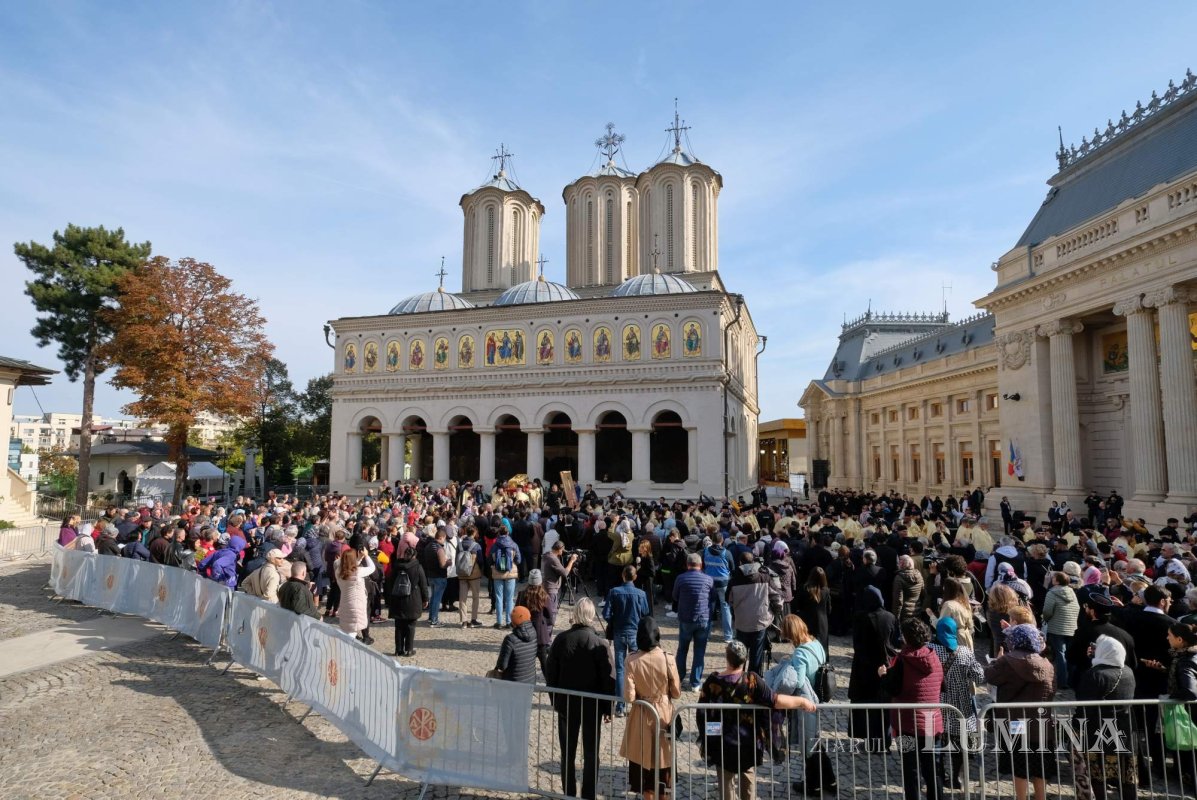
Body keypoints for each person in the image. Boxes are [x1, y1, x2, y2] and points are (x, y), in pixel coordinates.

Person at [697, 640, 816, 800]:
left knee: (726, 788)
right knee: (748, 787)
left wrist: (712, 735)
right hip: (748, 742)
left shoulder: (713, 681)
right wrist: (802, 702)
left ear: (727, 658)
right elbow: (776, 701)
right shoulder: (752, 680)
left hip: (722, 742)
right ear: (745, 660)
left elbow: (702, 712)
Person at [545, 598, 615, 800]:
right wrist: (608, 708)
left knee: (568, 752)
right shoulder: (598, 643)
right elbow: (608, 679)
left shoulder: (561, 640)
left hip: (567, 704)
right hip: (591, 706)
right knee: (591, 753)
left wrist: (555, 700)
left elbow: (551, 673)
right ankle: (588, 794)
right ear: (592, 616)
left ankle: (569, 792)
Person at [765, 615, 836, 796]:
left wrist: (788, 664)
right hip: (817, 698)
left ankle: (812, 785)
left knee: (809, 744)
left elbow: (797, 681)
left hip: (806, 701)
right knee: (816, 741)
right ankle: (830, 780)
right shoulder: (816, 643)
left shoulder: (800, 652)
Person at [984, 624, 1056, 800]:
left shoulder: (1007, 661)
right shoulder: (1047, 664)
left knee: (1020, 765)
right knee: (1040, 766)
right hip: (1041, 722)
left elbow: (990, 676)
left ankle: (1021, 798)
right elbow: (1053, 690)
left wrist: (996, 660)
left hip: (1016, 722)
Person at [878, 618, 944, 800]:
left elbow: (893, 688)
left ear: (906, 638)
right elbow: (941, 684)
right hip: (931, 722)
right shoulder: (934, 656)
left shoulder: (903, 661)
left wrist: (883, 676)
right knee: (932, 769)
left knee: (911, 769)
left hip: (907, 724)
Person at [621, 617, 681, 800]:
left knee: (644, 769)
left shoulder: (632, 660)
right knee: (663, 767)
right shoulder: (667, 658)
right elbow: (677, 692)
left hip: (641, 713)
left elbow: (629, 697)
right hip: (663, 715)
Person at [1074, 635, 1137, 800]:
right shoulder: (1128, 672)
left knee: (1098, 773)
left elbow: (1084, 704)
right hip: (1125, 729)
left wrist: (1076, 725)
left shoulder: (1094, 675)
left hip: (1098, 730)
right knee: (1125, 774)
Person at [927, 616, 984, 790]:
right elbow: (979, 677)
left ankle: (939, 776)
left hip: (938, 703)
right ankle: (955, 778)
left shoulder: (930, 650)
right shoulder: (965, 652)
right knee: (959, 745)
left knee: (938, 743)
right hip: (961, 705)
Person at [849, 585, 897, 750]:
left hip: (865, 667)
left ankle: (871, 741)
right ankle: (886, 740)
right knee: (883, 704)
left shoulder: (861, 617)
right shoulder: (890, 617)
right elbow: (895, 640)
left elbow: (858, 644)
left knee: (867, 705)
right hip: (885, 665)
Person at [605, 564, 650, 716]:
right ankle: (636, 703)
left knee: (620, 669)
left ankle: (620, 706)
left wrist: (613, 620)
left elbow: (606, 614)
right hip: (634, 632)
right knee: (636, 667)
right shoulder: (641, 594)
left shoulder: (614, 592)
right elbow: (645, 612)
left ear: (623, 576)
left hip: (619, 632)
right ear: (635, 577)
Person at [727, 551, 773, 675]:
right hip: (760, 622)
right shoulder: (764, 577)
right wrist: (771, 613)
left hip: (742, 622)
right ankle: (753, 682)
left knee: (740, 655)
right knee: (756, 657)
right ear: (753, 562)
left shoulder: (734, 580)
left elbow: (729, 600)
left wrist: (736, 612)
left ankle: (738, 678)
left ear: (740, 563)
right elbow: (777, 598)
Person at [674, 552, 714, 690]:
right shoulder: (709, 580)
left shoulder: (680, 578)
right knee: (699, 651)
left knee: (682, 649)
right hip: (703, 619)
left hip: (686, 618)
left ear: (687, 564)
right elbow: (713, 598)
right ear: (701, 564)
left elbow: (675, 595)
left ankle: (678, 677)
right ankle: (695, 682)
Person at [385, 541, 429, 657]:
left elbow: (389, 583)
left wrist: (388, 599)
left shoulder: (396, 567)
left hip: (397, 599)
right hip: (412, 599)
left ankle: (398, 649)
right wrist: (426, 599)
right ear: (414, 556)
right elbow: (423, 585)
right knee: (410, 626)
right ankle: (409, 649)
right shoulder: (418, 567)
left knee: (398, 626)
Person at [1041, 571, 1080, 690]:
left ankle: (1062, 682)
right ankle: (1071, 681)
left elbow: (1047, 611)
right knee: (1069, 655)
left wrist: (1045, 619)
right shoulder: (1072, 592)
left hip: (1057, 628)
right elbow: (1077, 608)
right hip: (1072, 627)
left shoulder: (1052, 593)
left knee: (1060, 655)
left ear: (1057, 581)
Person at [336, 540, 376, 644]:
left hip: (345, 603)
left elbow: (350, 567)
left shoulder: (339, 572)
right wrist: (366, 556)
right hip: (356, 604)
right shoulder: (358, 572)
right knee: (352, 633)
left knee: (347, 629)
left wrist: (359, 559)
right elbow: (372, 568)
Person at [518, 570, 553, 674]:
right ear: (540, 582)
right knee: (544, 665)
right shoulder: (544, 597)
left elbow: (517, 612)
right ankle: (550, 687)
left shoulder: (521, 595)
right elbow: (550, 618)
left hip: (525, 633)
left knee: (526, 664)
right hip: (540, 635)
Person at [495, 605, 539, 683]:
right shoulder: (534, 633)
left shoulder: (510, 639)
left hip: (513, 683)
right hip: (530, 681)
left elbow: (502, 666)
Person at [490, 526, 521, 629]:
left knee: (499, 597)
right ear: (508, 533)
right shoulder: (513, 545)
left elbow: (490, 558)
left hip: (497, 574)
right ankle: (508, 622)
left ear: (499, 533)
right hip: (510, 573)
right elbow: (519, 560)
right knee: (509, 598)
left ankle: (499, 622)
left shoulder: (495, 545)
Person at [793, 566, 831, 652]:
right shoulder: (826, 591)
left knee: (807, 643)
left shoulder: (805, 589)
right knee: (822, 644)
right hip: (822, 621)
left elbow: (798, 605)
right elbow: (829, 609)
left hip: (807, 620)